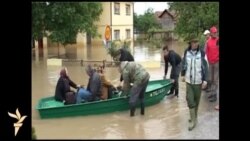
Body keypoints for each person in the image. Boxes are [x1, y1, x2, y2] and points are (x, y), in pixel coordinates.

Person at [181, 37, 208, 131]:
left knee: (196, 101)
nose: (195, 44)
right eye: (193, 42)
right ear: (190, 43)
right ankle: (193, 121)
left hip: (198, 82)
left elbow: (206, 67)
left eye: (196, 42)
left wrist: (205, 80)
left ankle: (194, 117)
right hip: (189, 81)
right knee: (190, 100)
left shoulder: (202, 53)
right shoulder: (186, 52)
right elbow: (183, 63)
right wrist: (183, 74)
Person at [205, 26, 219, 102]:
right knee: (210, 78)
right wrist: (207, 60)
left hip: (217, 62)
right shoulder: (208, 42)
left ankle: (215, 95)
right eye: (214, 32)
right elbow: (206, 52)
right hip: (210, 63)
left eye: (216, 32)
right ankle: (212, 92)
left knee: (215, 80)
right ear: (211, 33)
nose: (215, 33)